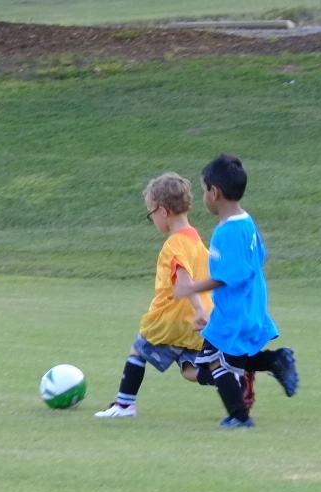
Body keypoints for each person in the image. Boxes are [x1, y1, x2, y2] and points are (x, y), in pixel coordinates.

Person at [173, 154, 298, 428]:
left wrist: (190, 287)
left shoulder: (225, 232)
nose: (204, 196)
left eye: (204, 190)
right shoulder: (246, 222)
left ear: (214, 192)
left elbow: (227, 276)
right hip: (252, 303)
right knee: (236, 357)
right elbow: (258, 258)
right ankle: (276, 360)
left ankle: (239, 417)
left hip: (234, 309)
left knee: (217, 363)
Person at [95, 172, 213, 418]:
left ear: (162, 211)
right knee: (190, 369)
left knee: (138, 349)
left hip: (170, 317)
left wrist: (197, 306)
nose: (153, 221)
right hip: (195, 322)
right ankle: (231, 376)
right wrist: (202, 309)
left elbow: (185, 278)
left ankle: (124, 405)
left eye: (150, 215)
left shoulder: (175, 243)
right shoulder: (198, 242)